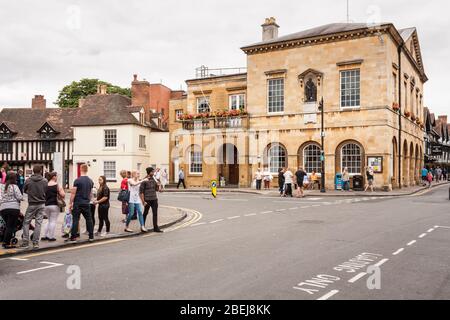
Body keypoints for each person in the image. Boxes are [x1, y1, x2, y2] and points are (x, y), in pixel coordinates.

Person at [21, 165, 47, 249]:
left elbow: (24, 190)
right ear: (40, 171)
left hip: (32, 204)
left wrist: (31, 193)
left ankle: (25, 242)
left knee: (26, 222)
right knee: (38, 223)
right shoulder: (45, 180)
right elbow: (46, 191)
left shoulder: (28, 180)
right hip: (41, 204)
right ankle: (35, 243)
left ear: (33, 171)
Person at [68, 164, 94, 242]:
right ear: (87, 170)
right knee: (89, 219)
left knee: (76, 219)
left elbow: (73, 193)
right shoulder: (90, 181)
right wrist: (88, 200)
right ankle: (91, 236)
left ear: (80, 169)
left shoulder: (77, 180)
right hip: (86, 203)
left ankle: (73, 237)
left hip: (78, 203)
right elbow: (91, 193)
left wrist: (70, 203)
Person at [0, 172, 24, 248]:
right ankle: (6, 243)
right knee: (10, 226)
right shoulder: (15, 187)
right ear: (14, 179)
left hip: (3, 209)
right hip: (14, 208)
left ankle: (6, 241)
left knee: (8, 226)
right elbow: (20, 197)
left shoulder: (1, 186)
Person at [42, 172, 65, 242]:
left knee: (49, 220)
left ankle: (45, 235)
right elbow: (63, 194)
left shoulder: (45, 185)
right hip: (54, 205)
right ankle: (51, 237)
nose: (57, 177)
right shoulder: (57, 185)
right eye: (56, 176)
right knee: (53, 221)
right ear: (54, 177)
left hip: (46, 205)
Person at [140, 167, 163, 233]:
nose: (153, 173)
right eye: (152, 172)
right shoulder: (144, 180)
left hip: (154, 199)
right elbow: (141, 192)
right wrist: (143, 201)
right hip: (147, 200)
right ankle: (142, 226)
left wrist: (159, 186)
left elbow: (157, 189)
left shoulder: (154, 179)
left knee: (155, 213)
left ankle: (156, 227)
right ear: (149, 172)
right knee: (145, 213)